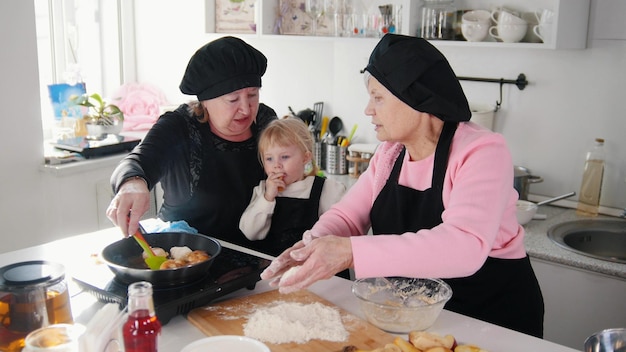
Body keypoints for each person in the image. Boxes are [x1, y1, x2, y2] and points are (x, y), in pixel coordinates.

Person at [260, 34, 544, 338]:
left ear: (416, 97)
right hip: (417, 318)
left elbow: (465, 246)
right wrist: (312, 244)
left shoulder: (482, 150)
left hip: (491, 321)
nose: (368, 110)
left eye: (378, 97)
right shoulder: (391, 153)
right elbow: (349, 216)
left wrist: (350, 252)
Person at [106, 36, 278, 251]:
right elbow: (137, 161)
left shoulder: (265, 121)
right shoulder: (179, 126)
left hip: (258, 259)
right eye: (233, 100)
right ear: (204, 101)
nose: (246, 108)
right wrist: (132, 183)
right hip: (186, 259)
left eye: (252, 95)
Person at [239, 117, 346, 257]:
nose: (276, 165)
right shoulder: (262, 191)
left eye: (284, 157)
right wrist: (267, 198)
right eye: (269, 158)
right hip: (274, 271)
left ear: (305, 158)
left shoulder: (327, 189)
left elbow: (342, 234)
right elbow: (250, 233)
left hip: (315, 270)